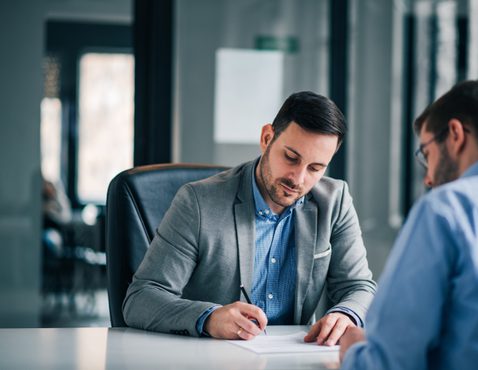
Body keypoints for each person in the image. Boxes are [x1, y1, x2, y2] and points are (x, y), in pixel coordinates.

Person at [123, 91, 377, 344]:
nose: (298, 179)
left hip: (296, 357)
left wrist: (347, 314)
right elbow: (141, 299)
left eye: (315, 168)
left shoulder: (335, 201)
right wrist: (209, 318)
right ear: (267, 138)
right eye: (291, 157)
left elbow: (359, 287)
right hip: (213, 358)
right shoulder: (197, 202)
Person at [339, 79, 478, 369]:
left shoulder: (445, 210)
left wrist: (354, 351)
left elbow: (391, 362)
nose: (428, 178)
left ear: (455, 135)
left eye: (427, 153)